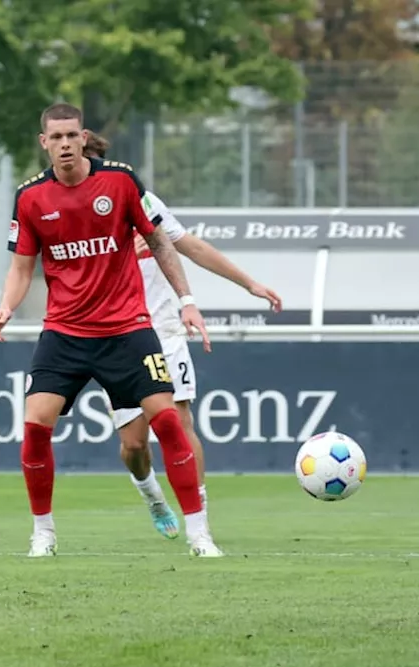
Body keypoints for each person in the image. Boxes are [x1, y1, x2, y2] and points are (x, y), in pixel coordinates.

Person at [0, 102, 219, 559]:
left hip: (128, 329)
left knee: (169, 421)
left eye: (72, 135)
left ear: (84, 136)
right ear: (44, 143)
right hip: (66, 333)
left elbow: (161, 242)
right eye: (56, 138)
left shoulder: (119, 180)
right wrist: (5, 306)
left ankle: (200, 534)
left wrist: (187, 301)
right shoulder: (31, 197)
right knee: (35, 427)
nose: (65, 144)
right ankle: (43, 534)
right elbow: (21, 267)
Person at [82, 132, 283, 541]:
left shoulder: (142, 201)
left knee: (180, 419)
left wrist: (249, 284)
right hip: (115, 334)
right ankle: (153, 496)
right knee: (134, 445)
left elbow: (191, 246)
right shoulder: (70, 214)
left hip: (164, 330)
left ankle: (200, 519)